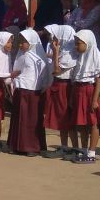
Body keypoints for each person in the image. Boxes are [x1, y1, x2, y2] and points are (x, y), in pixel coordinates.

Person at [7, 29, 52, 156]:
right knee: (19, 118)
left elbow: (44, 75)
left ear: (32, 42)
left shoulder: (39, 58)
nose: (20, 45)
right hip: (21, 91)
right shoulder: (21, 55)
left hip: (34, 93)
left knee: (32, 120)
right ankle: (17, 145)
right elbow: (17, 71)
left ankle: (32, 146)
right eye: (20, 42)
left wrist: (41, 88)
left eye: (23, 42)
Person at [41, 25, 79, 159]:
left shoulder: (69, 54)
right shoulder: (63, 50)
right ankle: (64, 147)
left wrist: (56, 53)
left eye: (56, 37)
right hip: (58, 85)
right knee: (61, 119)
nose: (53, 39)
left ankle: (75, 148)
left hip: (66, 86)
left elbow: (57, 70)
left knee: (67, 118)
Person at [69, 30, 100, 163]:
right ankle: (84, 150)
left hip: (89, 91)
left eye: (78, 43)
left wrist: (95, 99)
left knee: (92, 122)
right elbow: (75, 78)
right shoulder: (79, 57)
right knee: (82, 123)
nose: (76, 46)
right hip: (79, 91)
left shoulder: (95, 55)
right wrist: (72, 98)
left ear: (88, 43)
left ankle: (91, 152)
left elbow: (99, 80)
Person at [67, 0, 100, 64]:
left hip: (93, 40)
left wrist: (74, 23)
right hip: (78, 41)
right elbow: (68, 23)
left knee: (92, 64)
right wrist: (74, 23)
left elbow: (86, 24)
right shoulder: (80, 8)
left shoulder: (99, 8)